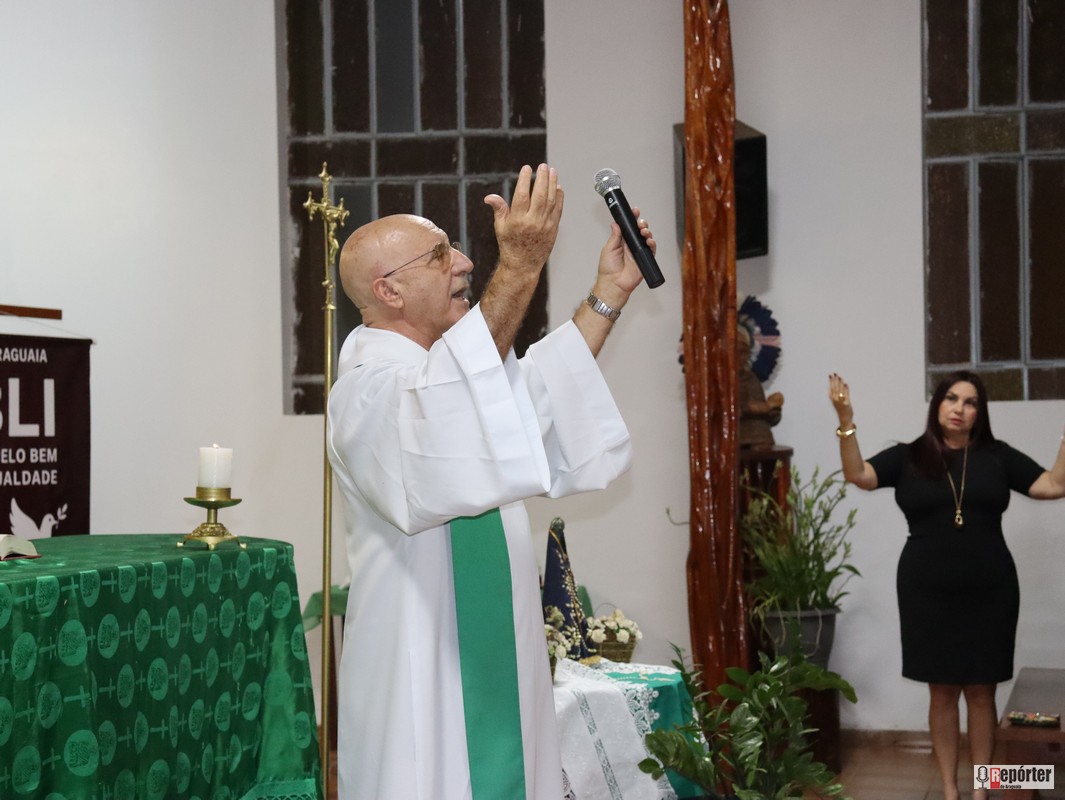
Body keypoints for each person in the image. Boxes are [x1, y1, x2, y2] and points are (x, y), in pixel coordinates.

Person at [327, 163, 654, 800]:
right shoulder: (365, 393)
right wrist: (522, 266)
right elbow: (444, 417)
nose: (463, 264)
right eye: (439, 254)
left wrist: (608, 293)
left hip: (499, 657)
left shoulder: (447, 382)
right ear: (389, 291)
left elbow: (538, 392)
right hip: (423, 670)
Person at [828, 370, 1065, 800]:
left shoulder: (997, 456)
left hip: (990, 589)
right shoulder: (909, 457)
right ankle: (949, 789)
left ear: (980, 412)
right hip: (925, 591)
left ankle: (980, 788)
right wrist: (846, 419)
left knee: (980, 689)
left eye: (970, 402)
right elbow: (858, 474)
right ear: (937, 405)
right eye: (951, 399)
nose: (959, 408)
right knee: (941, 691)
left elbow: (1054, 484)